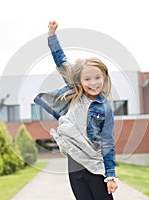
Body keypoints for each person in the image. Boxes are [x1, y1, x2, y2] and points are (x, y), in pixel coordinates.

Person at [34, 21, 118, 200]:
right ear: (79, 80)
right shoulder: (76, 95)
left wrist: (110, 174)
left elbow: (107, 142)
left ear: (104, 78)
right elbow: (62, 62)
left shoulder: (105, 109)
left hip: (95, 165)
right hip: (75, 163)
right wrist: (52, 36)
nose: (93, 83)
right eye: (87, 79)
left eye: (97, 78)